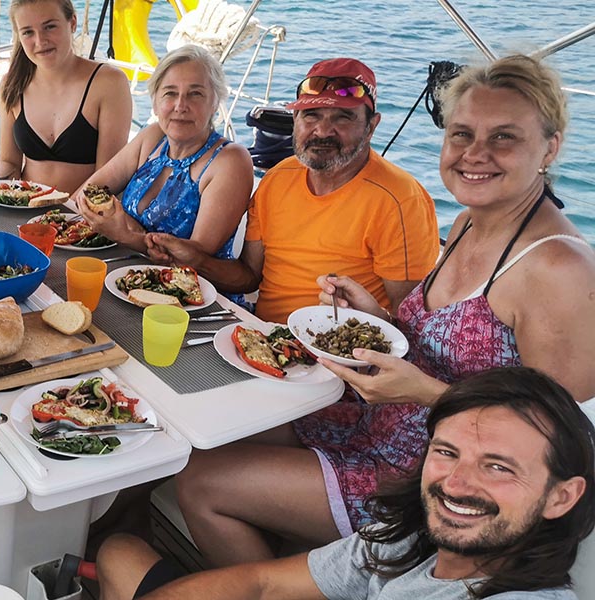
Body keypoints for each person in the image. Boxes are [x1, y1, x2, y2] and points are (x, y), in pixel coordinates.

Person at [174, 54, 595, 569]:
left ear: (549, 147)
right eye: (461, 134)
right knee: (204, 427)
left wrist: (421, 391)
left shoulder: (559, 266)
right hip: (370, 421)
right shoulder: (469, 223)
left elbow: (560, 437)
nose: (475, 154)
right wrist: (374, 315)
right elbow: (430, 338)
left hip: (425, 480)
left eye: (504, 137)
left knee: (198, 483)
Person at [96, 367, 595, 600]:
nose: (457, 483)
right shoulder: (408, 536)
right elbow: (263, 582)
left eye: (499, 467)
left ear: (561, 496)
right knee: (117, 551)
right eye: (446, 453)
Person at [145, 57, 439, 322]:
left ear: (371, 126)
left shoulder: (400, 198)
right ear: (295, 120)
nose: (323, 131)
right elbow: (248, 277)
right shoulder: (278, 179)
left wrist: (368, 321)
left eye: (342, 117)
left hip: (340, 358)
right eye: (311, 115)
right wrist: (194, 259)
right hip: (260, 336)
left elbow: (410, 324)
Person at [73, 45, 254, 273]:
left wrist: (126, 234)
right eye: (170, 93)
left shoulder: (229, 161)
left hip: (194, 295)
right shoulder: (154, 137)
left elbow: (197, 257)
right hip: (125, 273)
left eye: (195, 94)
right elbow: (87, 192)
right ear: (156, 101)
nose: (180, 106)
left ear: (215, 103)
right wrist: (128, 233)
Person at [0, 0, 131, 194]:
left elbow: (109, 175)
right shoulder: (12, 84)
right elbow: (9, 162)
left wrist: (65, 215)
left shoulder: (109, 83)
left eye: (49, 27)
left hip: (85, 216)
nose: (40, 41)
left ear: (72, 23)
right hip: (24, 213)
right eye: (28, 32)